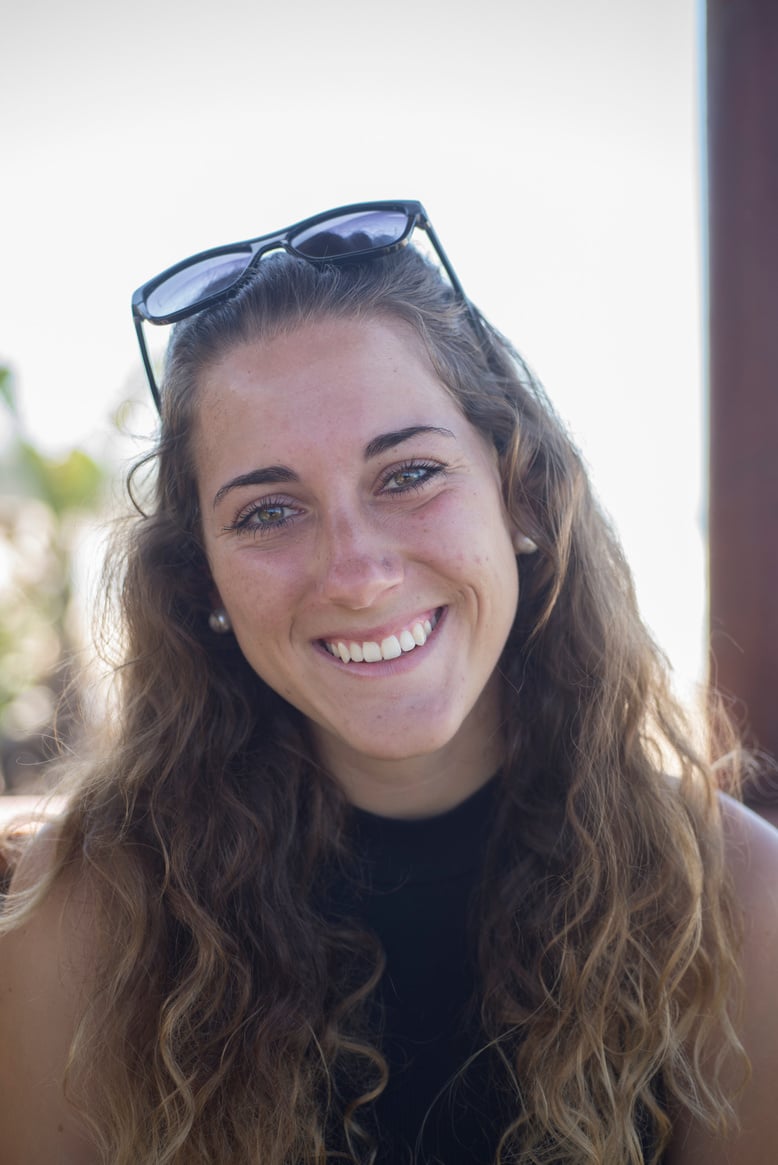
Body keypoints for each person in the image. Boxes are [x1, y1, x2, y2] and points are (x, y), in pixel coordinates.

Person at [1, 200, 777, 1165]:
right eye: (269, 510)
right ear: (202, 580)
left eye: (408, 475)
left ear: (523, 495)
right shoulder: (91, 912)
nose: (358, 572)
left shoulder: (735, 898)